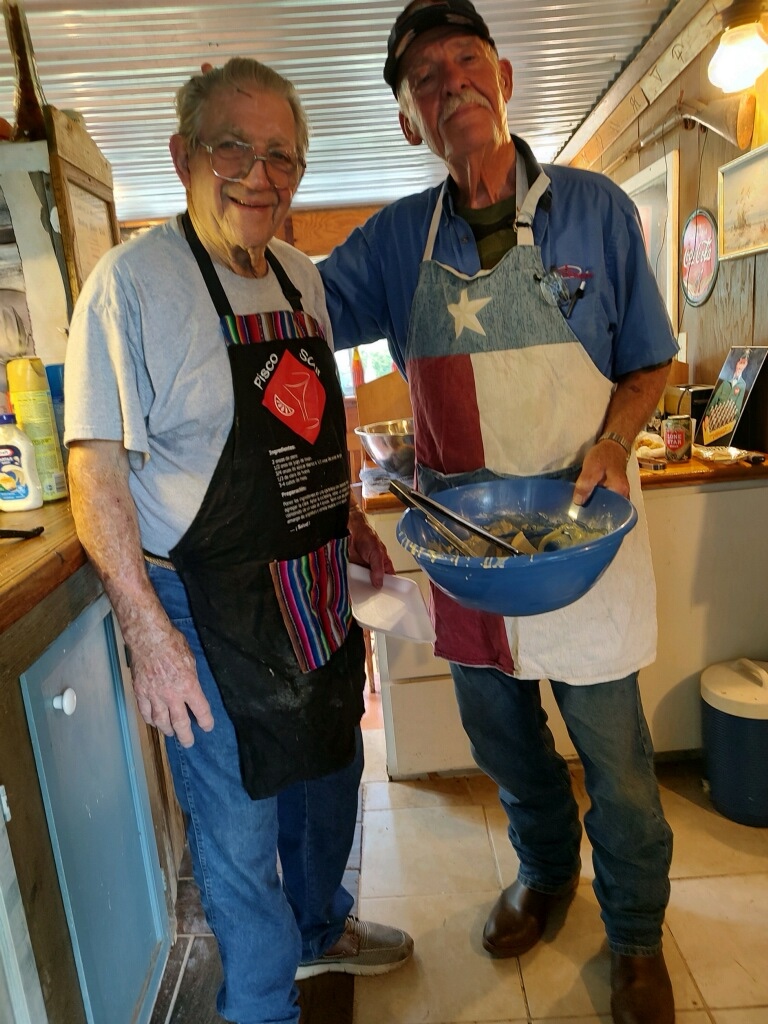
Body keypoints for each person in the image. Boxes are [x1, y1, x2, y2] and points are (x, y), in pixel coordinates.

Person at [319, 3, 677, 1022]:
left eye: (466, 60)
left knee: (620, 769)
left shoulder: (597, 211)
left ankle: (638, 934)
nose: (452, 85)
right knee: (508, 750)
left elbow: (650, 361)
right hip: (468, 556)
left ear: (505, 75)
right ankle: (545, 873)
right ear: (407, 120)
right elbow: (292, 316)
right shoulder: (395, 242)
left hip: (585, 545)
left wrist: (615, 440)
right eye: (424, 79)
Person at [64, 58, 412, 1024]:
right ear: (184, 155)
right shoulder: (130, 286)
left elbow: (314, 422)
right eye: (234, 149)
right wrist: (147, 631)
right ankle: (262, 1004)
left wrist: (349, 519)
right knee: (240, 824)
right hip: (204, 602)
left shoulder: (301, 275)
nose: (261, 176)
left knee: (331, 767)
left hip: (312, 582)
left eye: (282, 157)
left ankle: (320, 928)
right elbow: (96, 472)